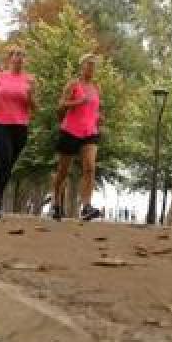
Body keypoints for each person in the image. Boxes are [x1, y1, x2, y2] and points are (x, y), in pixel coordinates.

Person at [50, 53, 103, 222]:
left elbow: (94, 108)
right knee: (63, 172)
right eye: (89, 65)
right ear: (82, 67)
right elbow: (60, 105)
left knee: (90, 168)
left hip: (90, 132)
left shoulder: (96, 88)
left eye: (94, 66)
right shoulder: (73, 84)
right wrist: (77, 103)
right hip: (71, 130)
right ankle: (56, 202)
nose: (91, 69)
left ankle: (86, 206)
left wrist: (99, 117)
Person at [0, 44, 35, 218]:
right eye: (16, 54)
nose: (20, 57)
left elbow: (35, 107)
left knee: (7, 166)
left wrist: (30, 98)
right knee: (5, 157)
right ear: (10, 58)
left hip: (20, 127)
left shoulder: (30, 80)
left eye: (23, 55)